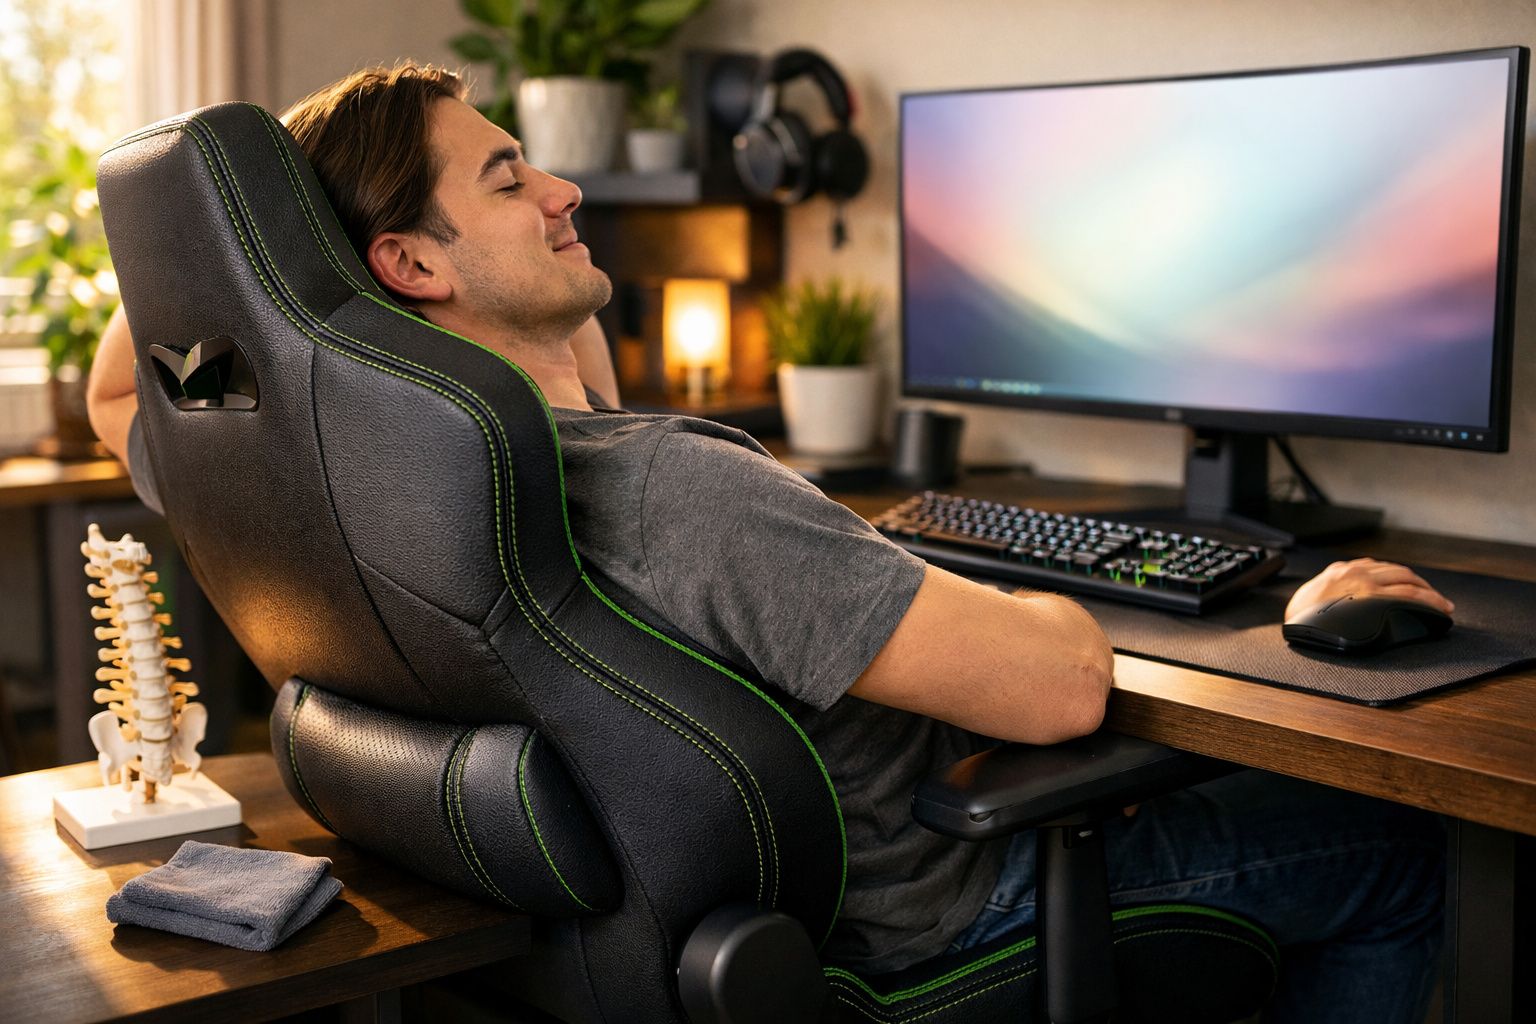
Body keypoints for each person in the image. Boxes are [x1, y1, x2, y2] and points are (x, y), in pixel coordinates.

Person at [87, 64, 1452, 1022]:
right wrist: (1197, 609)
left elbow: (114, 390)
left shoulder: (324, 489)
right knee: (1387, 842)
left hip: (635, 946)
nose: (563, 187)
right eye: (510, 178)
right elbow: (1061, 691)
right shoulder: (678, 492)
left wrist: (246, 236)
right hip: (934, 914)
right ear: (415, 267)